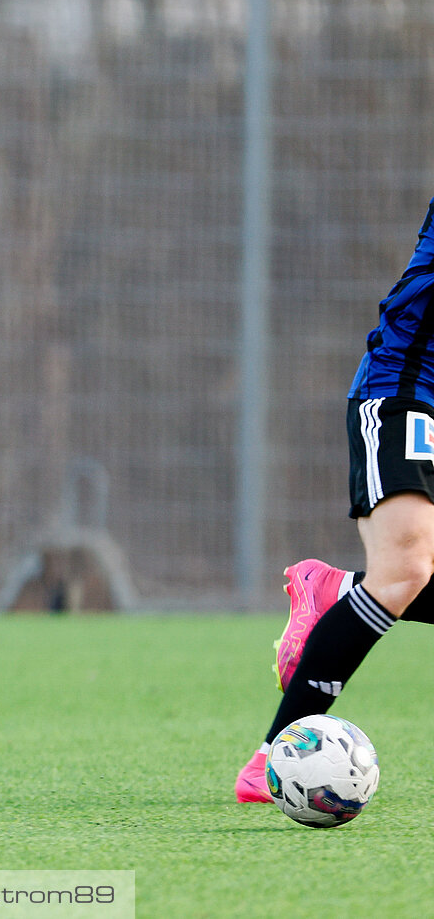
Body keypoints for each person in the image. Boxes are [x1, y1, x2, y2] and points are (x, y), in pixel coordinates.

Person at [234, 206, 434, 802]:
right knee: (406, 568)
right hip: (406, 390)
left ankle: (337, 593)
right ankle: (272, 757)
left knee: (402, 576)